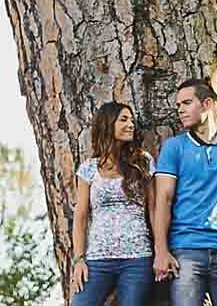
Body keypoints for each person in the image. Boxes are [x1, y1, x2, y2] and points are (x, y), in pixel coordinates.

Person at [150, 79, 217, 306]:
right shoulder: (174, 147)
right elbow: (163, 200)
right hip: (185, 252)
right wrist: (161, 250)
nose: (180, 109)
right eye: (178, 104)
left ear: (207, 103)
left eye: (187, 103)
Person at [70, 101, 155, 306]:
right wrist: (79, 259)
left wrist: (161, 250)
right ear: (108, 124)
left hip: (137, 258)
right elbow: (80, 217)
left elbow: (154, 209)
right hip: (98, 260)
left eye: (132, 120)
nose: (131, 124)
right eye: (124, 119)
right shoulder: (88, 169)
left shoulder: (143, 161)